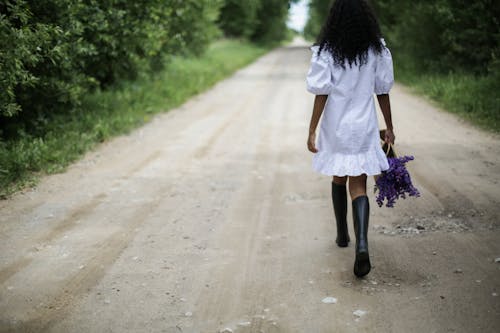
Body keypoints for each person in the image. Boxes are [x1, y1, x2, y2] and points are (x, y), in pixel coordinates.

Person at [306, 0, 395, 278]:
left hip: (336, 126)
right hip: (363, 126)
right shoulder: (376, 49)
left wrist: (312, 129)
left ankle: (342, 235)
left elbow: (322, 91)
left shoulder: (327, 52)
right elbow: (382, 90)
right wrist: (389, 126)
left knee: (337, 175)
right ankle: (362, 244)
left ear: (336, 18)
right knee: (359, 185)